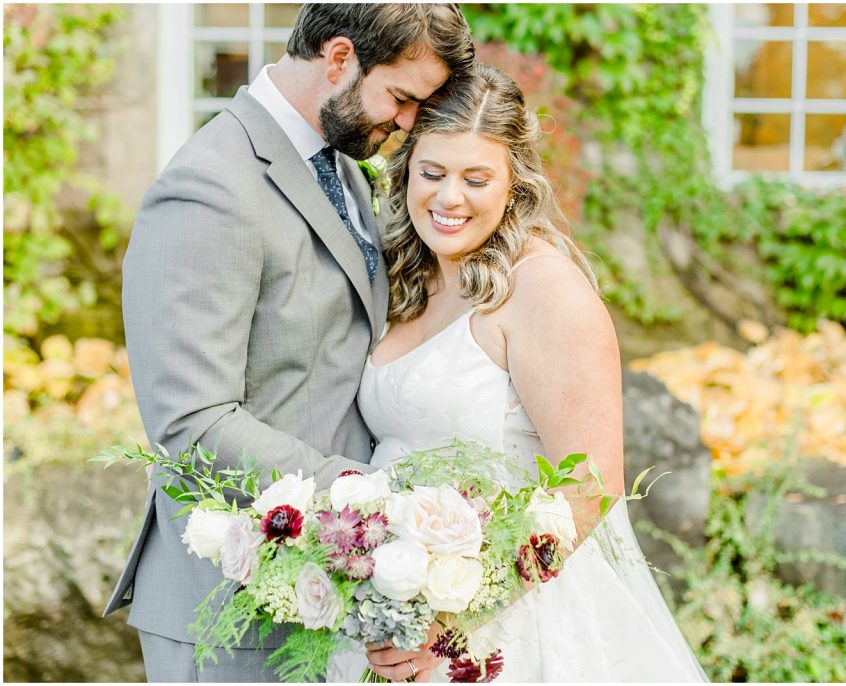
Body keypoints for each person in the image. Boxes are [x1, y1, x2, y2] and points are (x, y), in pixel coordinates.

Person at [103, 4, 474, 681]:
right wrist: (363, 495)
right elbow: (192, 423)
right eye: (401, 97)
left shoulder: (341, 169)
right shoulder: (209, 188)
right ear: (338, 58)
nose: (409, 123)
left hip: (328, 593)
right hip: (228, 611)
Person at [330, 63, 708, 682]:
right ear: (406, 173)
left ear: (514, 182)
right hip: (395, 615)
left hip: (505, 626)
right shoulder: (405, 277)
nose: (449, 199)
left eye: (476, 179)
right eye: (432, 173)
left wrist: (452, 626)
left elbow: (589, 487)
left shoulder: (543, 289)